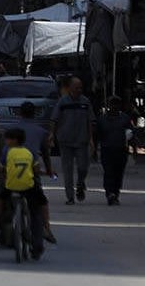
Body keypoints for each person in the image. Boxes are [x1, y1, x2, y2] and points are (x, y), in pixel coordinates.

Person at [2, 128, 47, 259]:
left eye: (7, 139)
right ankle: (39, 241)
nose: (6, 141)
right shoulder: (30, 151)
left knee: (2, 200)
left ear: (13, 140)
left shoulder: (6, 151)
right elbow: (36, 169)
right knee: (35, 212)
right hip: (29, 187)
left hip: (10, 186)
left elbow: (1, 167)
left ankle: (3, 226)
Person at [50, 76, 95, 204]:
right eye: (76, 87)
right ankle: (70, 197)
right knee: (67, 170)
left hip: (82, 140)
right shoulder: (63, 102)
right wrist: (51, 134)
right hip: (65, 140)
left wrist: (91, 138)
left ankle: (80, 184)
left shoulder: (85, 102)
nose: (79, 90)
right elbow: (54, 119)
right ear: (69, 88)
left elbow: (90, 121)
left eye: (81, 87)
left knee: (83, 167)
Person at [96, 96, 133, 205]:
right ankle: (109, 193)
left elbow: (131, 134)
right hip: (106, 150)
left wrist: (133, 149)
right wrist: (94, 150)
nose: (114, 106)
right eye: (112, 104)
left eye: (116, 104)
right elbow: (97, 135)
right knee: (108, 172)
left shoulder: (125, 119)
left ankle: (115, 193)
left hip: (121, 150)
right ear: (108, 105)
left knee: (118, 173)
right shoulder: (102, 119)